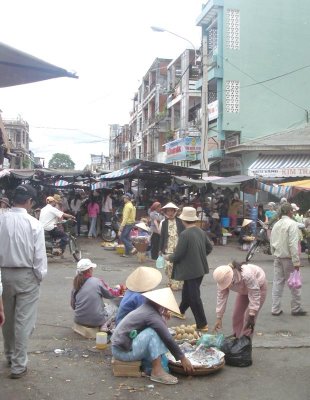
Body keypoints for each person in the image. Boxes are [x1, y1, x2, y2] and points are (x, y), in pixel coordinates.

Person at [0, 184, 47, 379]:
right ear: (29, 202)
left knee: (6, 320)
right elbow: (39, 259)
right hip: (27, 275)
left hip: (3, 274)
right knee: (23, 322)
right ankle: (19, 365)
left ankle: (10, 356)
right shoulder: (34, 224)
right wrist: (39, 276)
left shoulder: (1, 219)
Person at [111, 287, 194, 384]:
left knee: (156, 331)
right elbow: (167, 337)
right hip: (122, 352)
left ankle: (154, 367)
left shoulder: (147, 308)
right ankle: (157, 371)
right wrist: (182, 358)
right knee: (153, 333)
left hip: (119, 347)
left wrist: (162, 315)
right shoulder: (151, 314)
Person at [165, 207, 212, 331]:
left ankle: (202, 324)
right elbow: (209, 247)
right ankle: (180, 311)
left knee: (194, 296)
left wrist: (169, 257)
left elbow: (179, 254)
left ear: (183, 220)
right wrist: (199, 255)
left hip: (191, 270)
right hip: (200, 268)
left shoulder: (185, 234)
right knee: (188, 292)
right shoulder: (200, 231)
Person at [270, 203, 307, 316]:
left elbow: (271, 241)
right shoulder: (292, 224)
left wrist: (274, 254)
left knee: (277, 283)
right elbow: (293, 244)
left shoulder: (276, 224)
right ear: (290, 212)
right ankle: (296, 308)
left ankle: (275, 309)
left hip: (278, 257)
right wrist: (296, 261)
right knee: (295, 283)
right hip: (289, 258)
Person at [213, 261, 267, 338]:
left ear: (231, 277)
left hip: (258, 288)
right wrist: (219, 317)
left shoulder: (246, 275)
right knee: (236, 315)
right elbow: (221, 298)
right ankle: (237, 339)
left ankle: (245, 343)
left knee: (248, 318)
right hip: (243, 290)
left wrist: (252, 314)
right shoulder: (222, 280)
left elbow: (254, 293)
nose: (226, 286)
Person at [71, 259, 117, 328]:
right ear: (89, 270)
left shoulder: (76, 284)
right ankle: (105, 325)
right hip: (96, 321)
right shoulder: (97, 281)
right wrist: (118, 289)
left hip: (78, 319)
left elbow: (73, 306)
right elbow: (111, 295)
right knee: (115, 308)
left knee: (102, 306)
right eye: (92, 268)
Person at [159, 202, 185, 291]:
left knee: (177, 265)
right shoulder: (164, 222)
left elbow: (183, 234)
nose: (170, 213)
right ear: (165, 212)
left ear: (175, 211)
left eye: (171, 210)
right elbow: (162, 236)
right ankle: (170, 281)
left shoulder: (180, 221)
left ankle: (176, 283)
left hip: (178, 246)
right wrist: (160, 249)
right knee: (168, 266)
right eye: (168, 211)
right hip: (168, 247)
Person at [119, 193, 136, 257]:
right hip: (131, 223)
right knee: (127, 238)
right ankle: (127, 253)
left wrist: (122, 226)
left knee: (122, 237)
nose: (123, 199)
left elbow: (125, 217)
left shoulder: (127, 206)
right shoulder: (131, 205)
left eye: (124, 198)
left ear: (127, 198)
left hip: (127, 224)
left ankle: (132, 248)